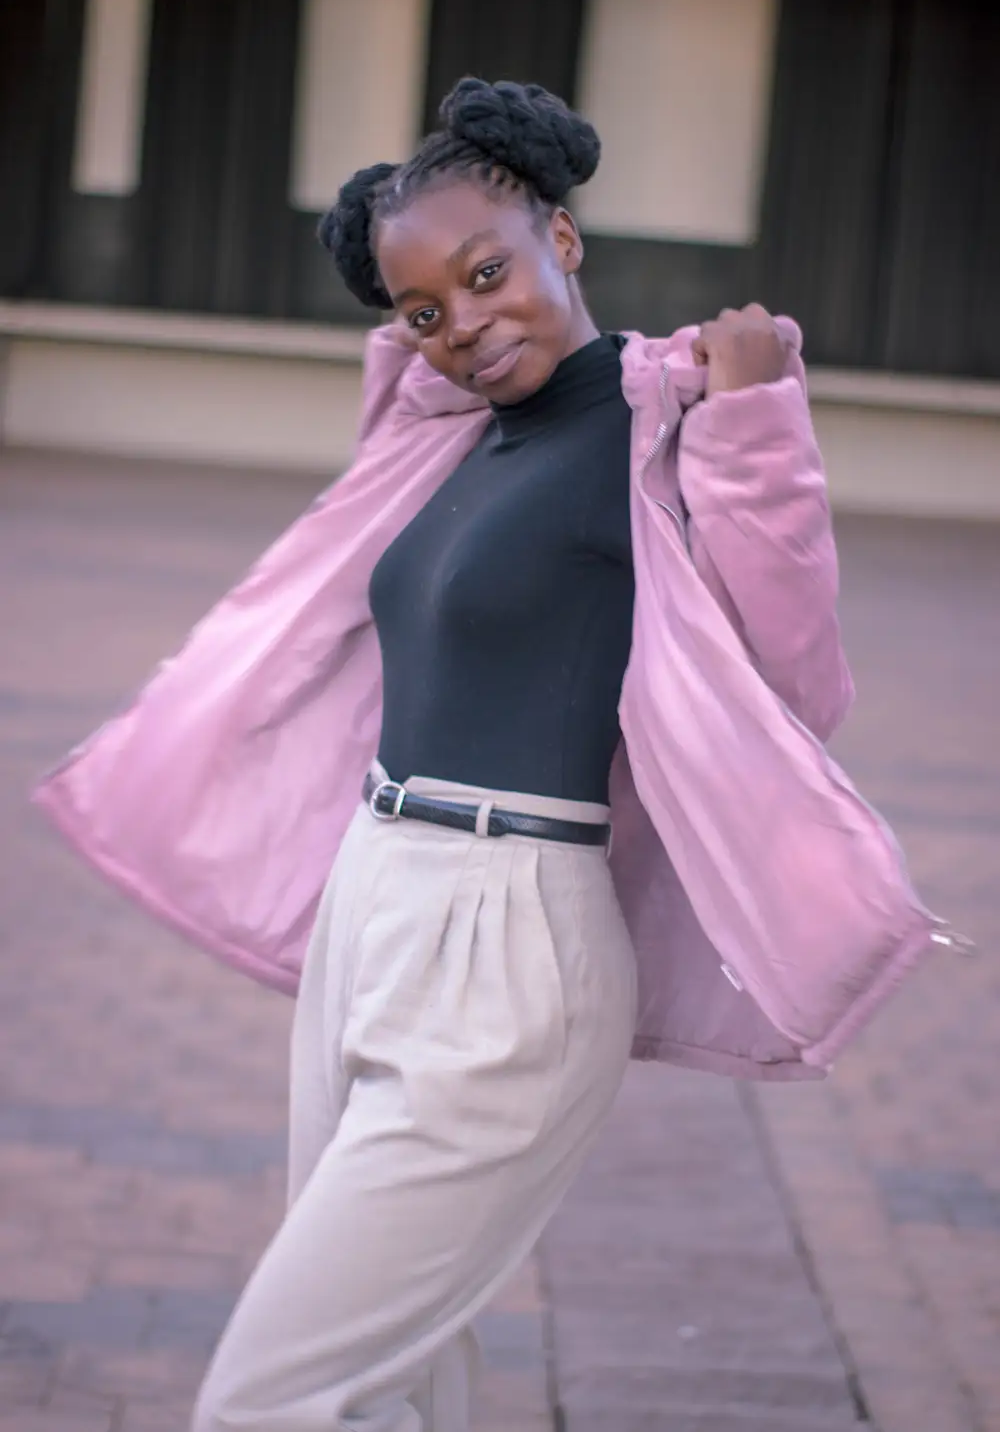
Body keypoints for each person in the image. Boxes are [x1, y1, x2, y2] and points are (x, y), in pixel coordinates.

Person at [34, 79, 949, 1432]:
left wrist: (762, 427)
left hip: (512, 941)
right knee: (401, 1369)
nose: (465, 325)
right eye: (424, 311)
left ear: (560, 242)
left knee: (273, 1400)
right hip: (375, 906)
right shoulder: (447, 439)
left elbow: (790, 680)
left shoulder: (671, 427)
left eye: (486, 274)